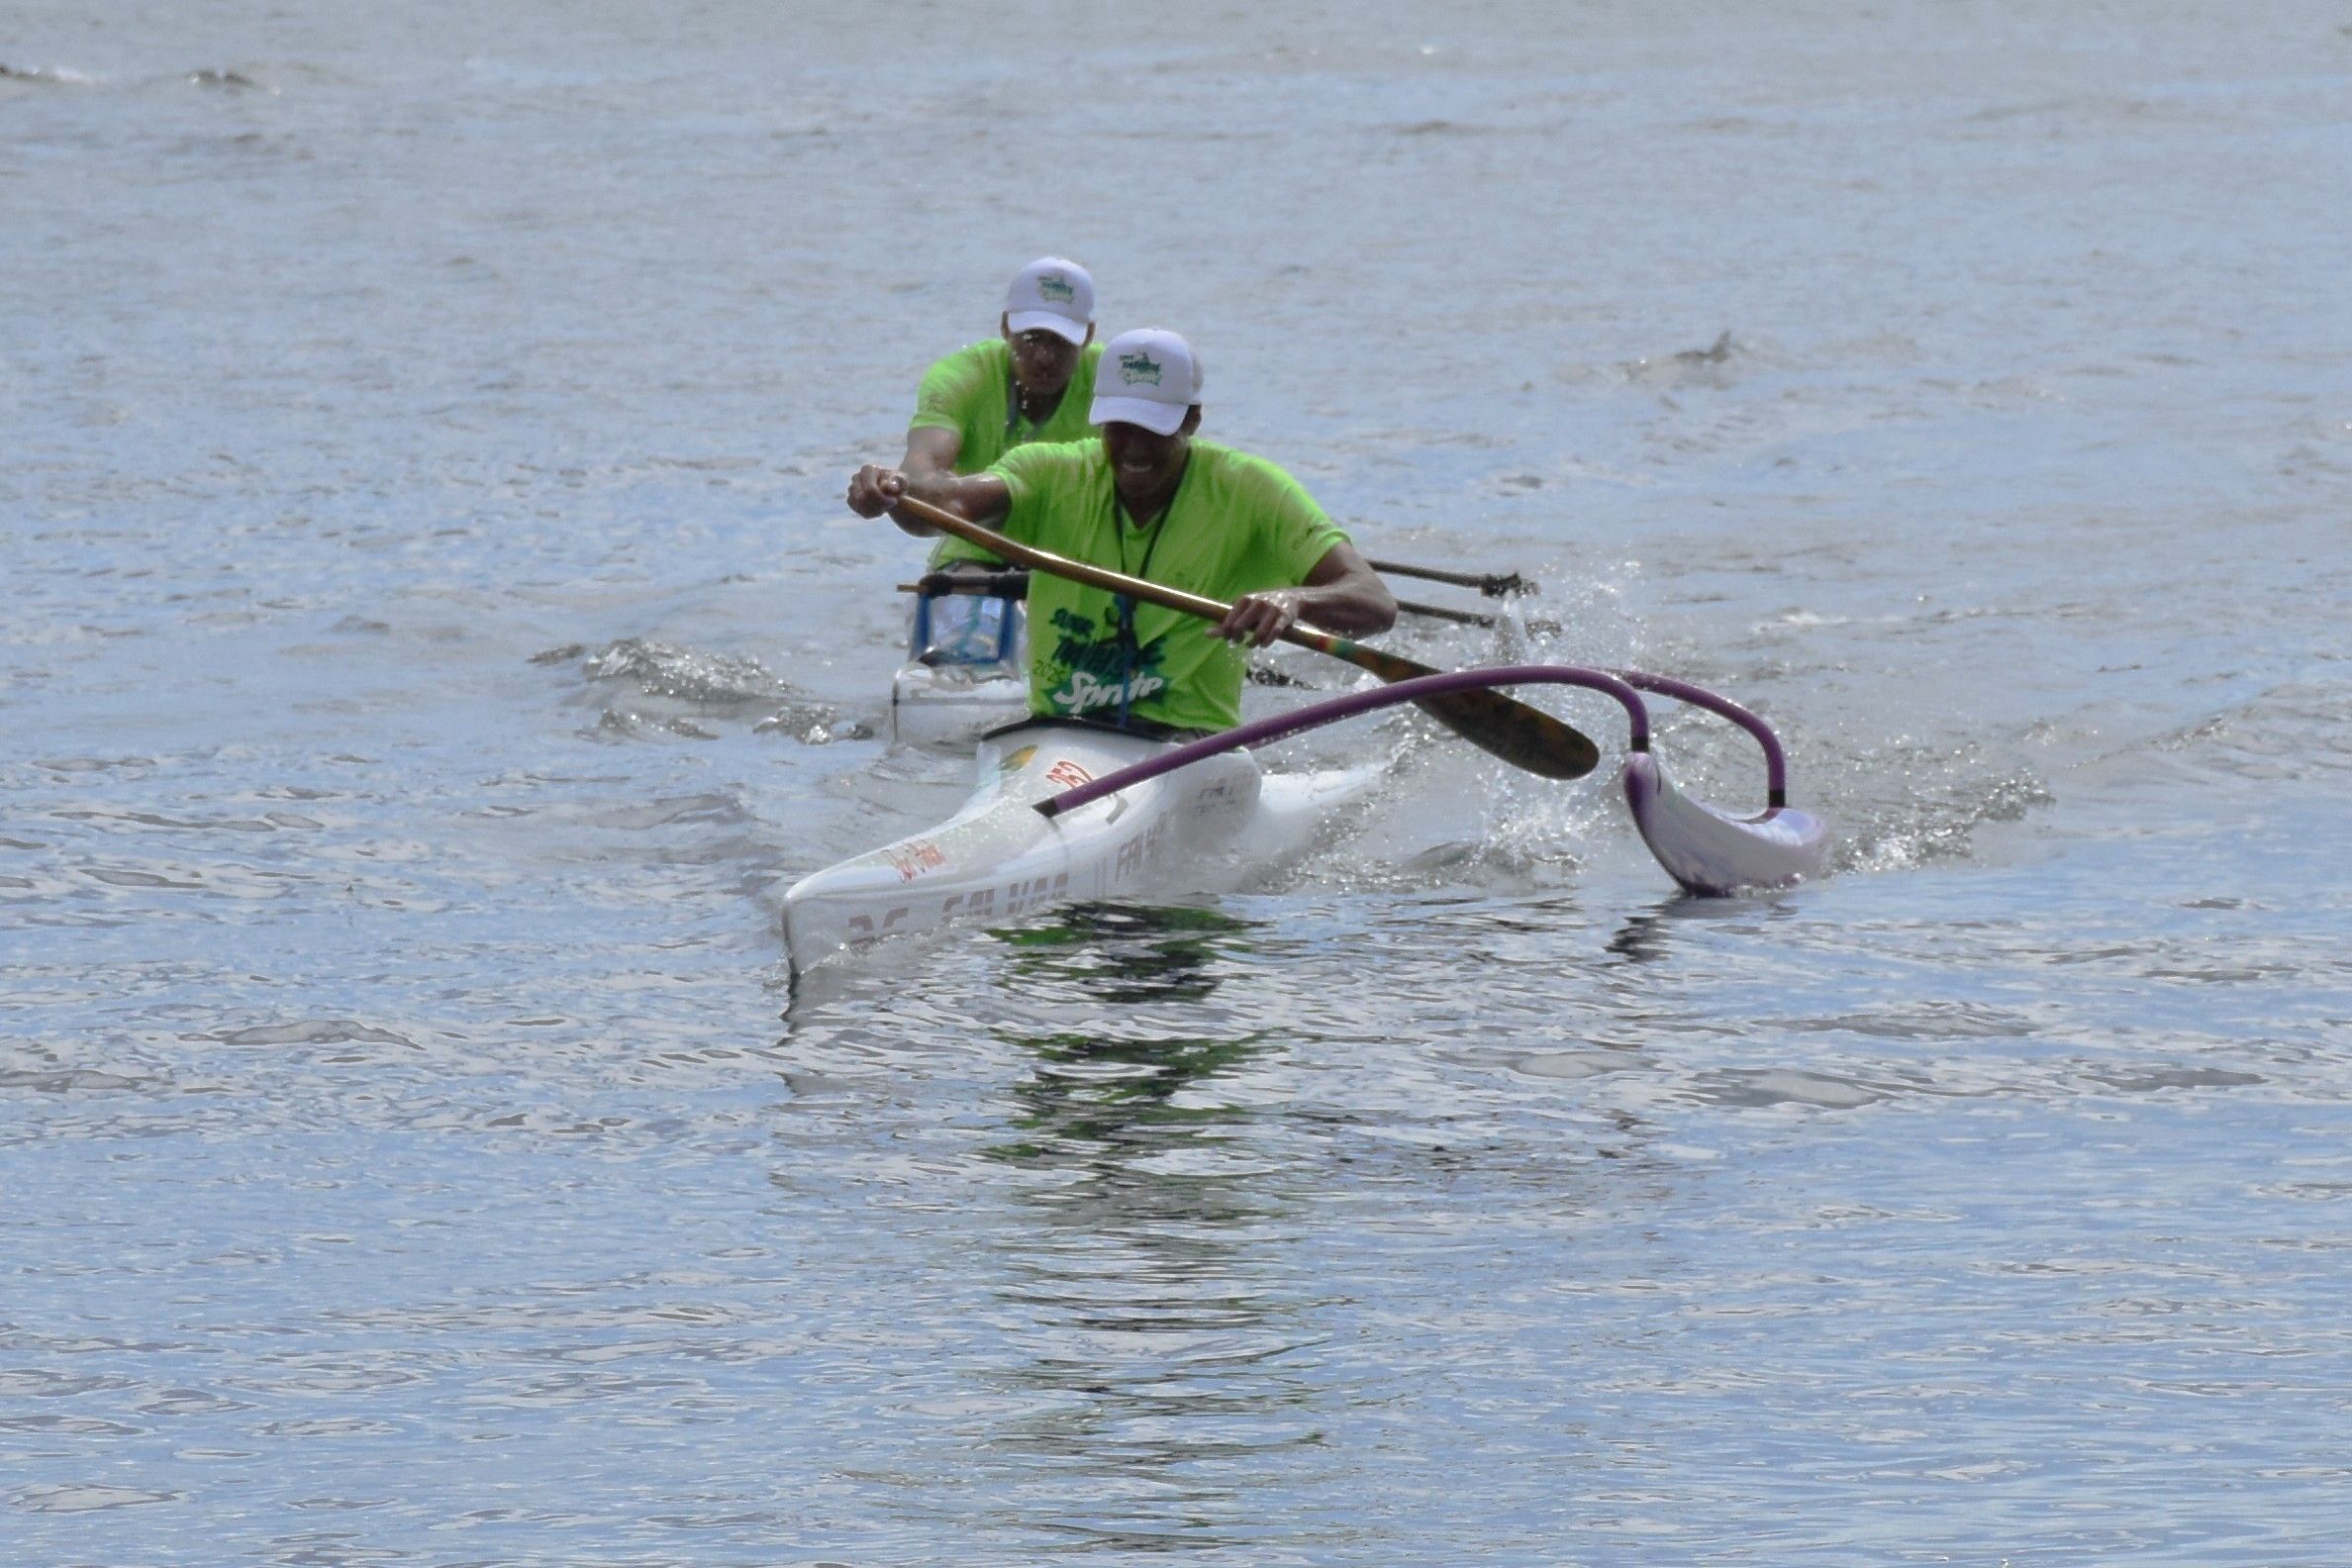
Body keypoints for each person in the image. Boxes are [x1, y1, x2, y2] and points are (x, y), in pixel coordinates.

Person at [847, 328, 1397, 738]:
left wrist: (1294, 599)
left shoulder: (1253, 491)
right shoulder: (1049, 471)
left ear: (1191, 420)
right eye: (1119, 426)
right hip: (1058, 731)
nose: (1133, 448)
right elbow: (945, 505)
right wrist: (896, 491)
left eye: (1153, 429)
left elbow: (1373, 601)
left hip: (1186, 744)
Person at [904, 256, 1104, 571]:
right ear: (1006, 326)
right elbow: (921, 467)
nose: (1044, 357)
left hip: (1078, 565)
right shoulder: (959, 376)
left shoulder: (1112, 383)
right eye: (1032, 337)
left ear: (1089, 336)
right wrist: (898, 488)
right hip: (976, 553)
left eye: (1061, 341)